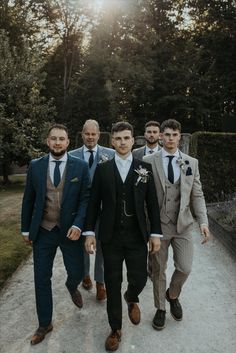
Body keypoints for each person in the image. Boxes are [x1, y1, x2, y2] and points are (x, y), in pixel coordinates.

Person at [84, 121, 162, 351]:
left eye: (126, 138)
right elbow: (93, 203)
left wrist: (155, 234)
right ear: (112, 141)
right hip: (111, 237)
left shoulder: (144, 168)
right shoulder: (103, 169)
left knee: (138, 278)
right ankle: (115, 328)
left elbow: (152, 204)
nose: (122, 142)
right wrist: (89, 232)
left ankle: (132, 296)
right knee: (112, 281)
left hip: (137, 236)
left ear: (132, 140)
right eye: (118, 139)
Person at [21, 124, 90, 345]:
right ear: (47, 141)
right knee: (41, 278)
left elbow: (85, 199)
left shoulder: (80, 166)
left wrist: (79, 225)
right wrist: (25, 229)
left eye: (62, 139)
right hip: (44, 231)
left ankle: (72, 285)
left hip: (70, 231)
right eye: (54, 139)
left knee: (78, 272)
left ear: (69, 142)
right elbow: (28, 199)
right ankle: (44, 323)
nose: (58, 142)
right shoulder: (36, 166)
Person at [144, 119, 210, 331]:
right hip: (158, 227)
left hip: (183, 225)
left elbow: (196, 194)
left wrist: (203, 221)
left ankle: (172, 295)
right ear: (161, 136)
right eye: (167, 134)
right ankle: (161, 309)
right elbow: (142, 196)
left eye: (175, 135)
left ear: (179, 137)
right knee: (158, 270)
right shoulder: (147, 160)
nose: (171, 138)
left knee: (185, 267)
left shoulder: (191, 162)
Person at [70, 119, 114, 300]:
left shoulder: (110, 154)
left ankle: (100, 281)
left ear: (99, 135)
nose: (90, 137)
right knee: (82, 245)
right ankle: (85, 274)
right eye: (87, 134)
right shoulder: (71, 155)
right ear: (82, 135)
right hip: (80, 210)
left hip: (104, 210)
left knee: (103, 245)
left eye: (93, 134)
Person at [132, 120, 161, 278]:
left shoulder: (164, 153)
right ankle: (139, 266)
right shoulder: (135, 153)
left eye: (155, 131)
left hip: (157, 200)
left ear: (160, 135)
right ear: (145, 134)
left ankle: (151, 267)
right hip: (138, 201)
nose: (151, 134)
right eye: (149, 131)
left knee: (154, 234)